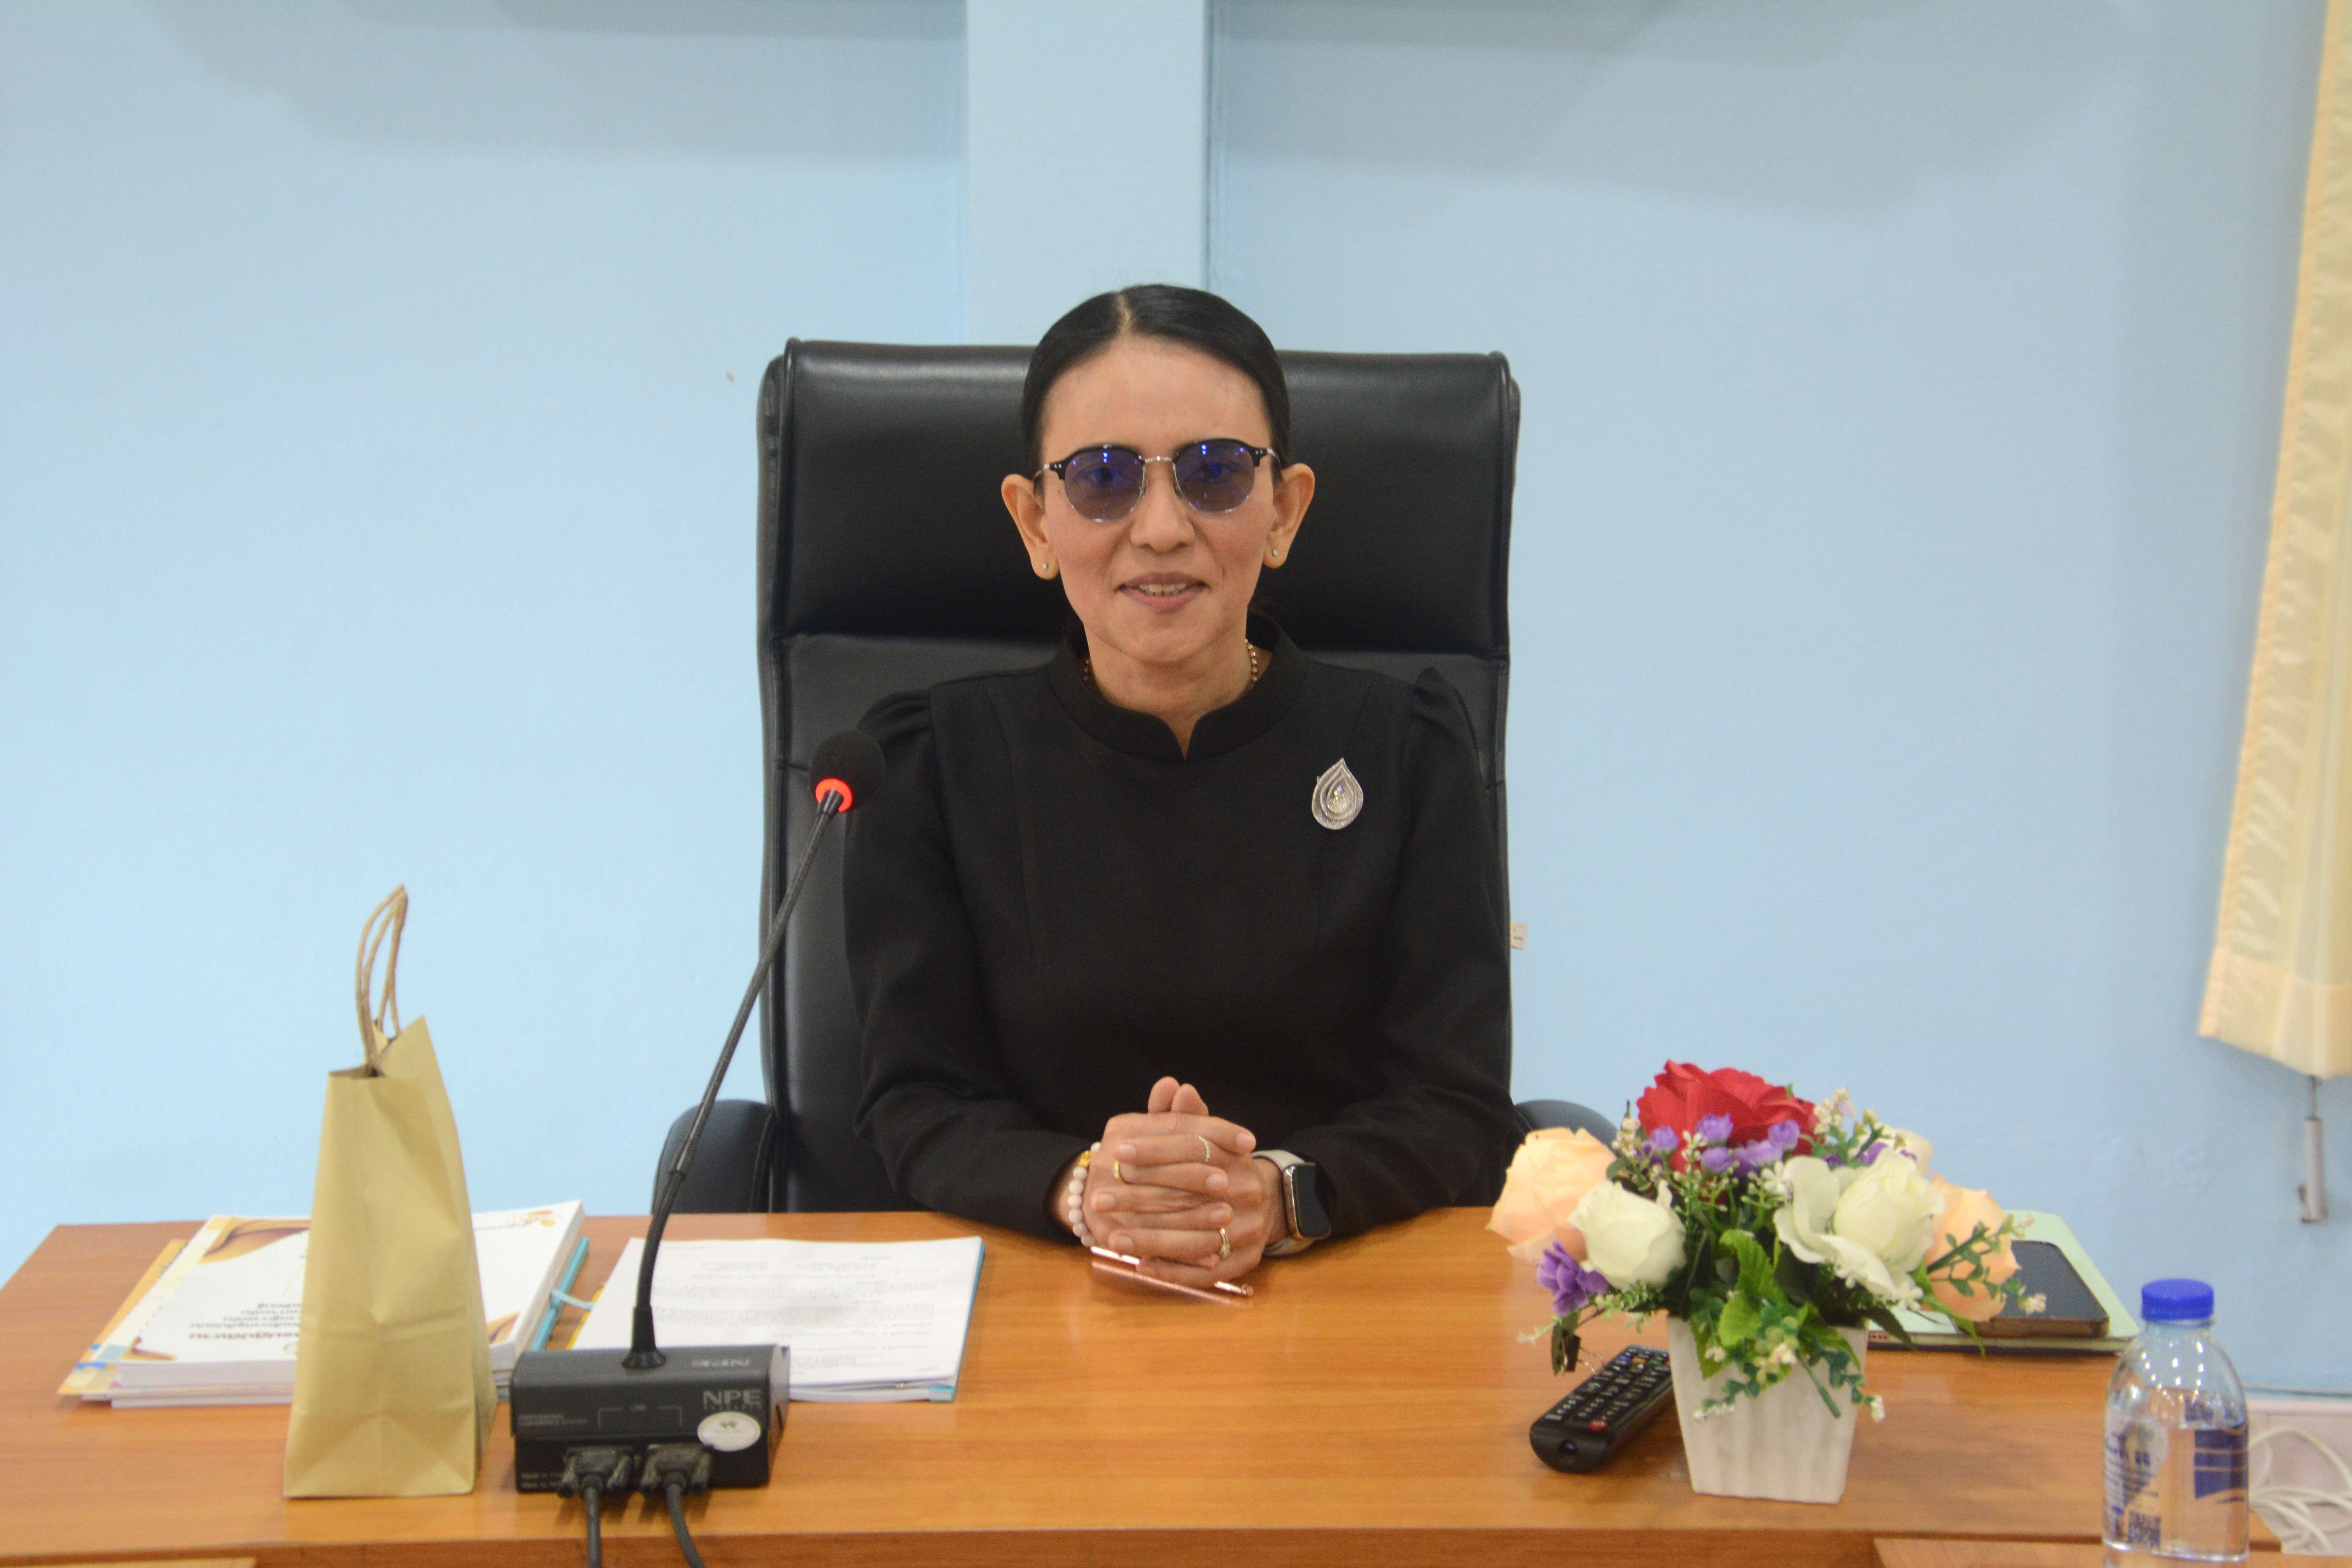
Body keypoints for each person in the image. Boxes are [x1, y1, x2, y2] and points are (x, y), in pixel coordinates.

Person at [844, 284, 1515, 1291]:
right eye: (1102, 478)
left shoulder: (1406, 750)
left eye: (1213, 473)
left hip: (1340, 1293)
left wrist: (1280, 1195)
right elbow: (917, 1100)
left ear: (1284, 510)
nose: (1160, 528)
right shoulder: (927, 766)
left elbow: (1453, 1098)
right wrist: (1086, 1190)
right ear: (1034, 522)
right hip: (1039, 1297)